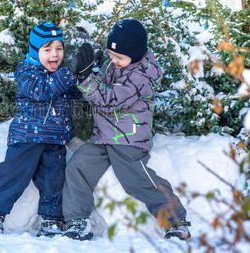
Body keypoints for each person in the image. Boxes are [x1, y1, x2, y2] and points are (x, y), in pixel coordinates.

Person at [63, 19, 191, 241]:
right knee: (77, 166)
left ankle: (175, 221)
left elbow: (109, 99)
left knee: (136, 179)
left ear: (136, 54)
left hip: (128, 140)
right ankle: (77, 220)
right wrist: (92, 66)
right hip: (103, 137)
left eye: (119, 57)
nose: (113, 60)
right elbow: (103, 81)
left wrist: (85, 78)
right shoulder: (116, 63)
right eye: (111, 55)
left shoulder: (140, 78)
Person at [0, 22, 79, 237]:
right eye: (48, 49)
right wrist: (69, 74)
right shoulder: (26, 71)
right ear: (36, 50)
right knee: (13, 174)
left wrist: (86, 71)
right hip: (27, 136)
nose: (55, 54)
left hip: (55, 138)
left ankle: (51, 219)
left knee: (54, 179)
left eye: (59, 49)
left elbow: (75, 92)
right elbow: (43, 90)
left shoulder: (62, 73)